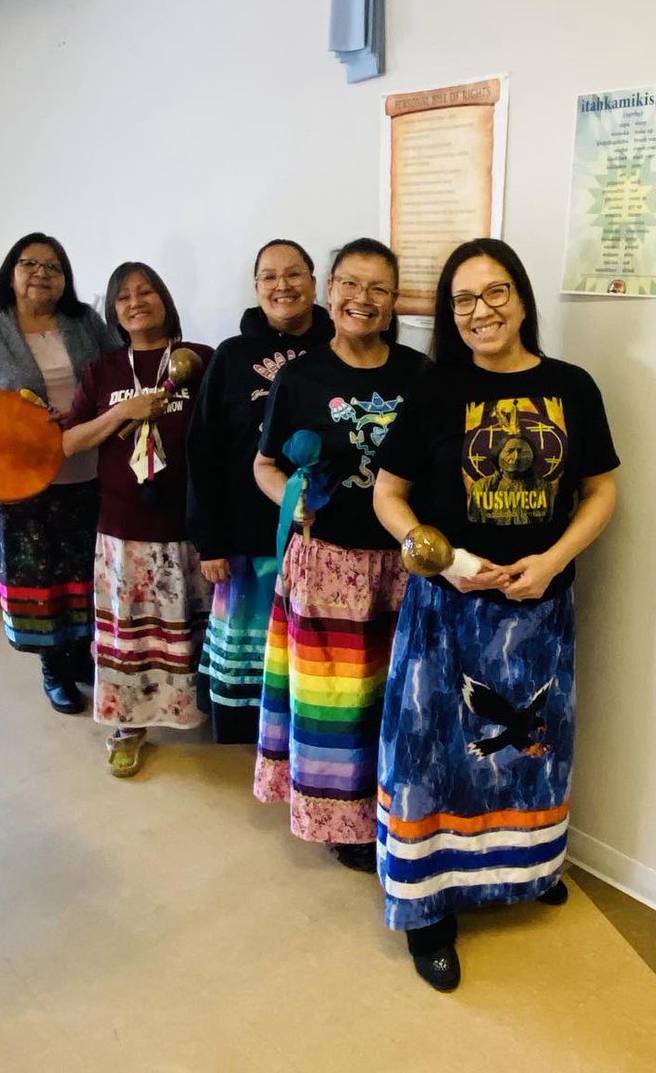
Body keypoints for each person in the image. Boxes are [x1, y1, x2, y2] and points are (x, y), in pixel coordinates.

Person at [373, 238, 619, 991]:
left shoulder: (572, 387)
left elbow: (602, 490)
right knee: (433, 756)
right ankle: (426, 910)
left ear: (520, 298)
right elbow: (388, 495)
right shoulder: (434, 389)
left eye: (495, 292)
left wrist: (550, 561)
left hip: (539, 612)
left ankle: (523, 869)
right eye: (463, 300)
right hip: (447, 611)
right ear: (451, 314)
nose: (481, 311)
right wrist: (445, 559)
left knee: (527, 751)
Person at [253, 238, 429, 871]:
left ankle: (391, 807)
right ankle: (341, 822)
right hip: (328, 564)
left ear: (393, 301)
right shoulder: (299, 377)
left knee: (395, 693)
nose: (362, 299)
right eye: (351, 285)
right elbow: (266, 463)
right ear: (330, 291)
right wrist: (292, 502)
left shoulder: (418, 373)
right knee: (336, 702)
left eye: (378, 289)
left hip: (404, 563)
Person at [0, 232, 119, 714]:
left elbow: (118, 373)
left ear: (66, 279)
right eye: (30, 263)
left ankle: (81, 655)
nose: (42, 272)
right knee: (38, 578)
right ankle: (53, 668)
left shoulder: (85, 323)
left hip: (89, 469)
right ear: (11, 274)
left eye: (54, 266)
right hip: (19, 480)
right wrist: (12, 411)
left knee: (85, 570)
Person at [63, 262, 213, 776]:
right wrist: (122, 414)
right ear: (113, 312)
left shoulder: (202, 360)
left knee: (194, 626)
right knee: (129, 634)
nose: (135, 302)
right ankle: (127, 725)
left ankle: (198, 710)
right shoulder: (104, 369)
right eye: (123, 296)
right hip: (124, 529)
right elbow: (69, 441)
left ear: (165, 299)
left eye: (145, 291)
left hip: (189, 527)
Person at [186, 239, 333, 743]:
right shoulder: (231, 356)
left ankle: (306, 738)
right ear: (256, 288)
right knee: (254, 654)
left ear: (316, 283)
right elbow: (203, 451)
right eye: (269, 276)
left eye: (294, 274)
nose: (282, 286)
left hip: (325, 539)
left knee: (317, 654)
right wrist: (211, 541)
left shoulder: (341, 349)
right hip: (248, 540)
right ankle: (256, 741)